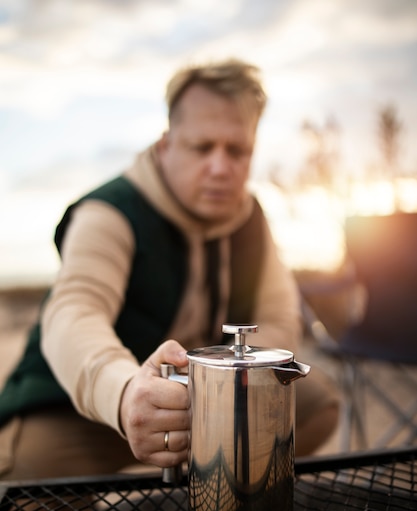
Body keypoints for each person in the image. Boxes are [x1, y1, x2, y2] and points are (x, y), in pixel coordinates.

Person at [0, 59, 339, 482]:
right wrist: (125, 395)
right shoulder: (110, 211)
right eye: (202, 147)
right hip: (82, 406)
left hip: (207, 404)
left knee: (317, 403)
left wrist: (221, 392)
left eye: (237, 150)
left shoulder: (252, 218)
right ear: (166, 144)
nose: (221, 166)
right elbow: (73, 315)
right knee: (20, 500)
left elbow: (279, 318)